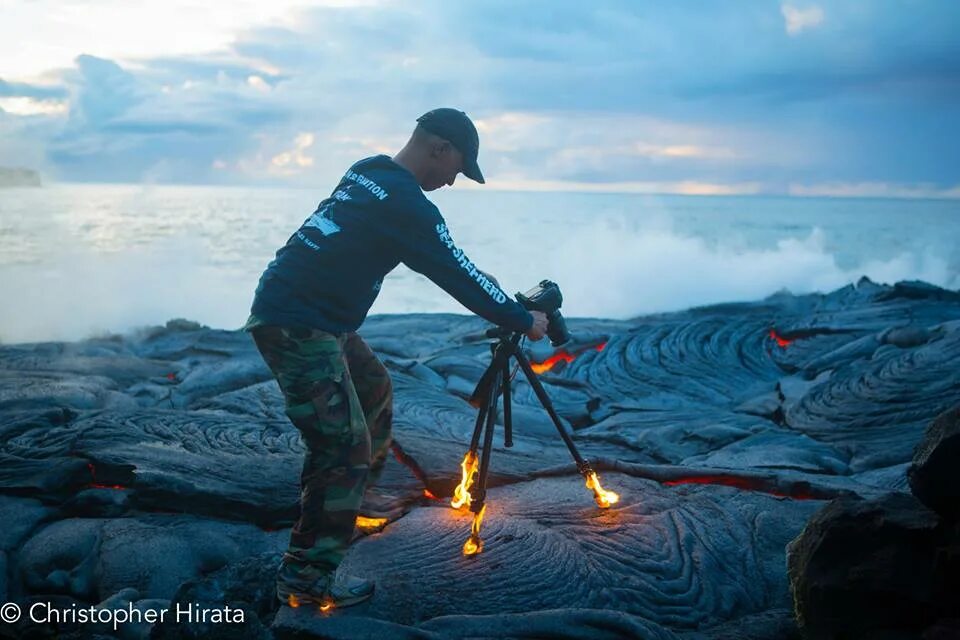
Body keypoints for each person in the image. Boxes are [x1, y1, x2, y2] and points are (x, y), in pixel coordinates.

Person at [243, 107, 548, 608]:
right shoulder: (409, 205)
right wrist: (522, 319)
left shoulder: (368, 171)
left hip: (313, 316)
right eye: (458, 169)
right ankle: (306, 578)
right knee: (340, 448)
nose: (453, 181)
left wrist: (493, 293)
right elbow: (451, 270)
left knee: (373, 389)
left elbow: (449, 264)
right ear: (439, 149)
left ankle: (356, 500)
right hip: (299, 324)